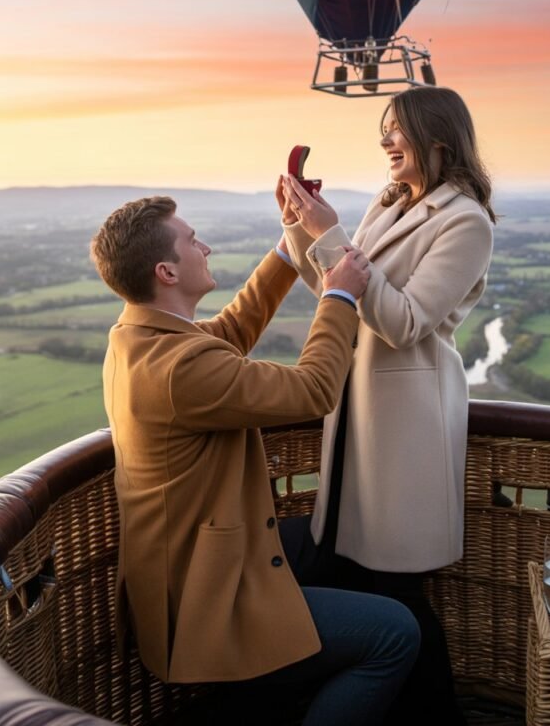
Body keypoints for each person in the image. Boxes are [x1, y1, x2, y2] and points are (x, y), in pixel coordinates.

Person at [90, 196, 420, 726]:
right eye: (193, 239)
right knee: (395, 634)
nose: (206, 246)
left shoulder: (141, 338)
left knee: (331, 542)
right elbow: (314, 390)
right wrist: (338, 295)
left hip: (194, 565)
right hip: (204, 603)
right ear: (166, 270)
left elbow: (231, 332)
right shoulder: (179, 369)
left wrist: (290, 245)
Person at [277, 85, 496, 724]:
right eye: (383, 129)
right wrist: (300, 222)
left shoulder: (466, 222)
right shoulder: (390, 199)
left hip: (405, 427)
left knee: (398, 591)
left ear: (436, 137)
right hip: (352, 416)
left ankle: (438, 716)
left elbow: (404, 321)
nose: (385, 142)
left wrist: (331, 233)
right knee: (354, 576)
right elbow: (334, 285)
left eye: (396, 129)